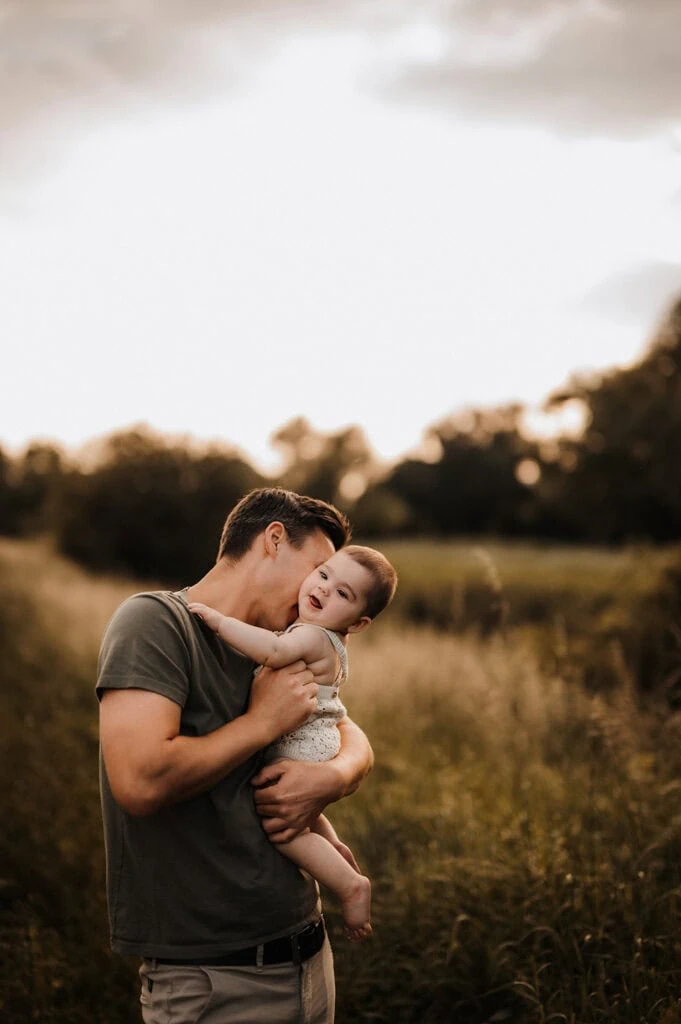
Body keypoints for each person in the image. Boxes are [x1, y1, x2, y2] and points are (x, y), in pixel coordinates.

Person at [97, 488, 375, 1024]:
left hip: (309, 955)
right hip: (214, 981)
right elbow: (139, 783)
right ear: (274, 540)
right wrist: (262, 724)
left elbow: (352, 737)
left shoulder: (287, 641)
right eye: (319, 569)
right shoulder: (157, 622)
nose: (319, 592)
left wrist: (333, 778)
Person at [189, 544, 398, 943]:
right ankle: (336, 849)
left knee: (283, 827)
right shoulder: (333, 640)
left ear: (358, 622)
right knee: (303, 813)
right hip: (318, 740)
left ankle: (350, 885)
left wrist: (218, 622)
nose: (323, 589)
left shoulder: (311, 636)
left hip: (300, 744)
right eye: (323, 574)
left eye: (343, 594)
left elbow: (274, 648)